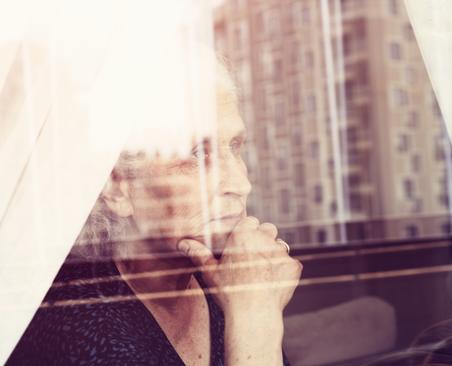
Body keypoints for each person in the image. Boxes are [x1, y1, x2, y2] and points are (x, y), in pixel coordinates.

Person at [7, 54, 302, 365]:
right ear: (117, 185)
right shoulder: (76, 326)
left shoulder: (226, 277)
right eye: (198, 153)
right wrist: (255, 320)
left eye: (234, 146)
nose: (242, 184)